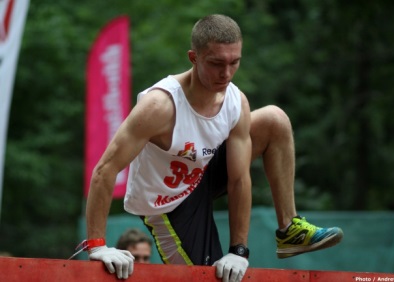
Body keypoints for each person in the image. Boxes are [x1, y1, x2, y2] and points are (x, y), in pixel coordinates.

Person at [81, 14, 343, 282]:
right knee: (209, 279)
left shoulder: (235, 101)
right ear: (193, 58)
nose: (226, 73)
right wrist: (97, 245)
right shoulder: (159, 106)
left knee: (274, 119)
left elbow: (239, 179)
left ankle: (289, 229)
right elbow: (105, 169)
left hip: (202, 171)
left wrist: (238, 251)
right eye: (216, 63)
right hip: (168, 204)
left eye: (234, 62)